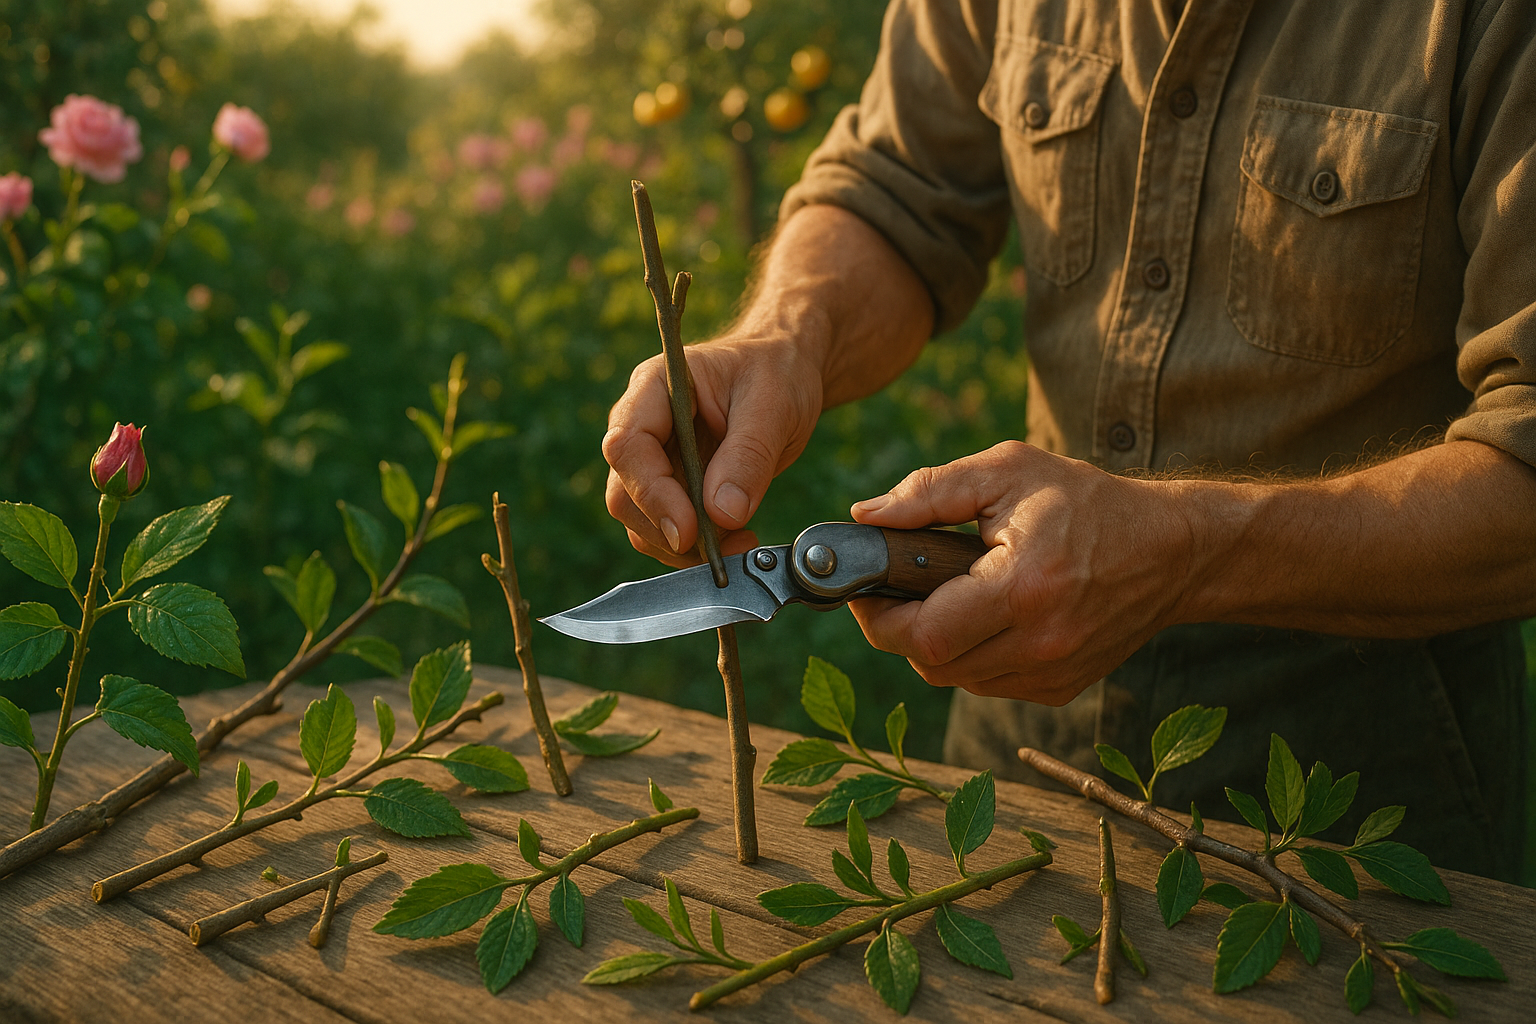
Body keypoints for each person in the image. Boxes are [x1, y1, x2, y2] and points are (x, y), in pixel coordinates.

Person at [602, 0, 1536, 880]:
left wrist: (1190, 553)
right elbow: (897, 191)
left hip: (1366, 803)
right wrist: (786, 337)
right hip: (1016, 760)